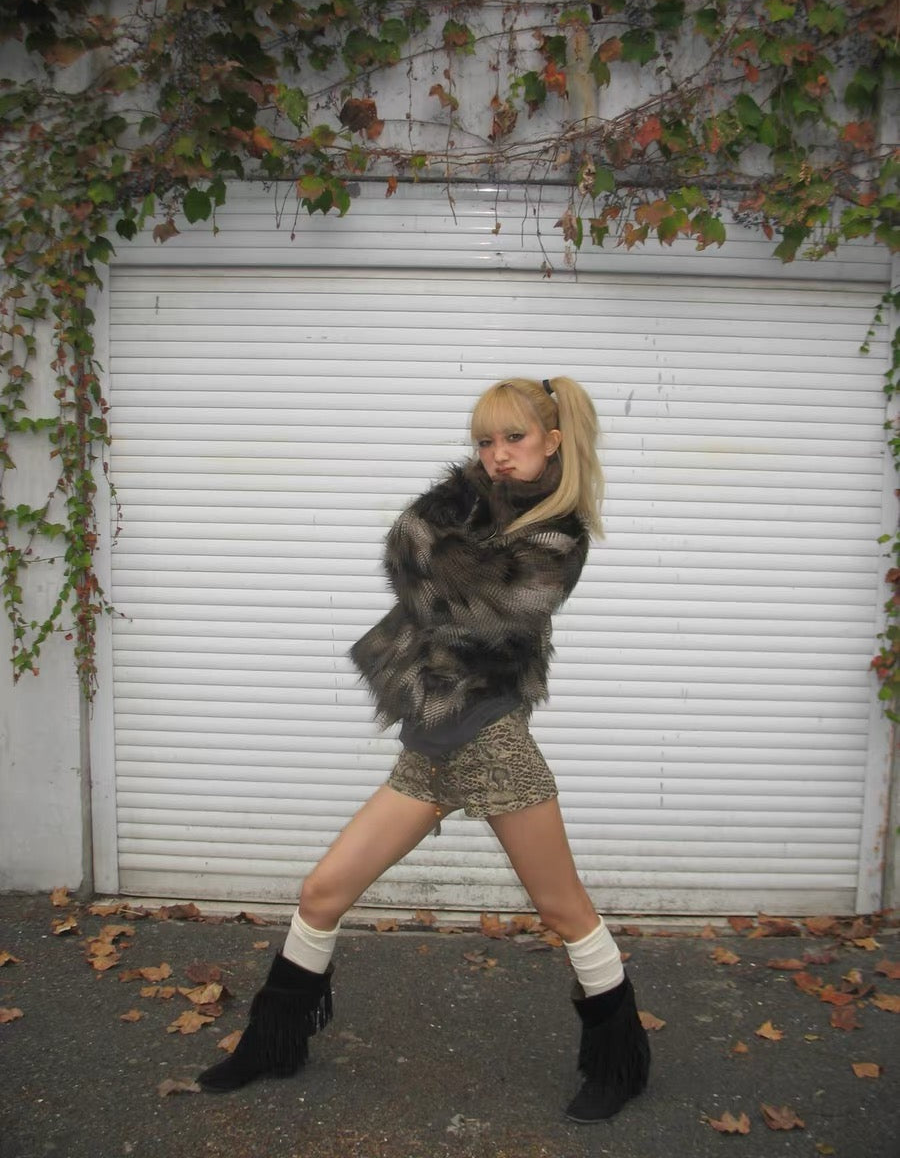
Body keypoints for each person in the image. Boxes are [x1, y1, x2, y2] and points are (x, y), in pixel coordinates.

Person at [196, 376, 651, 1122]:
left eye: (514, 438)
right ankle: (274, 1042)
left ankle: (620, 1060)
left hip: (491, 739)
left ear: (553, 442)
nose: (497, 455)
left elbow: (463, 603)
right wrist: (462, 500)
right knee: (322, 892)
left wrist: (439, 550)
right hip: (431, 741)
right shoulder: (480, 510)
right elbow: (409, 550)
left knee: (563, 908)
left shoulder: (559, 537)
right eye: (484, 442)